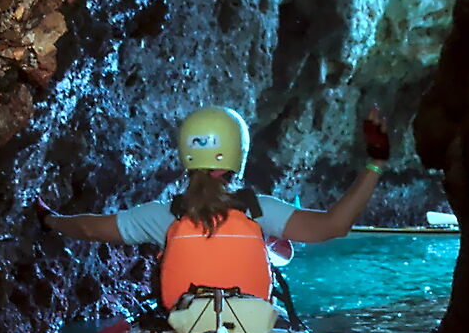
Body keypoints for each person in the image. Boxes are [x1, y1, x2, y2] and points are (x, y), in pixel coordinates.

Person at [39, 103, 391, 309]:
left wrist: (50, 220)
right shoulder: (261, 211)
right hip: (249, 330)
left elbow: (88, 227)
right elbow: (334, 225)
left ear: (186, 157)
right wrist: (374, 164)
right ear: (239, 154)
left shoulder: (161, 216)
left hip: (187, 328)